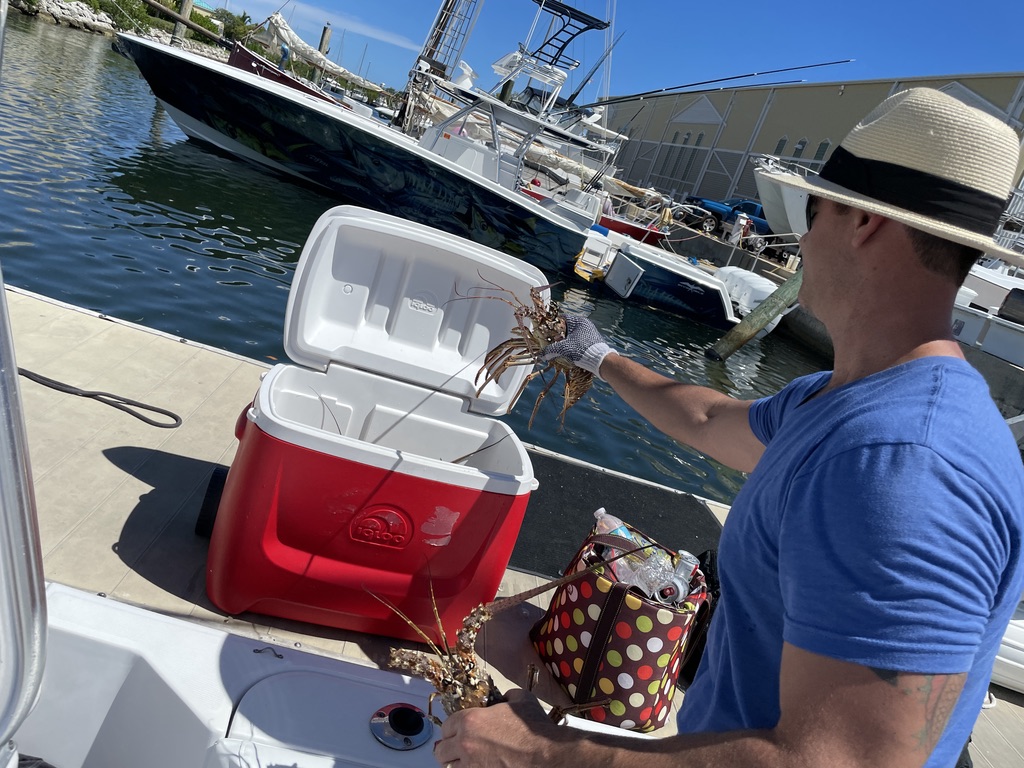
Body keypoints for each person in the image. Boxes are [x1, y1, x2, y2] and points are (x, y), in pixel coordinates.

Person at [435, 88, 1024, 768]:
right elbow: (710, 418)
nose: (802, 239)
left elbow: (841, 762)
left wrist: (546, 753)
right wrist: (599, 356)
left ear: (863, 222)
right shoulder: (842, 402)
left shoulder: (902, 465)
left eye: (812, 211)